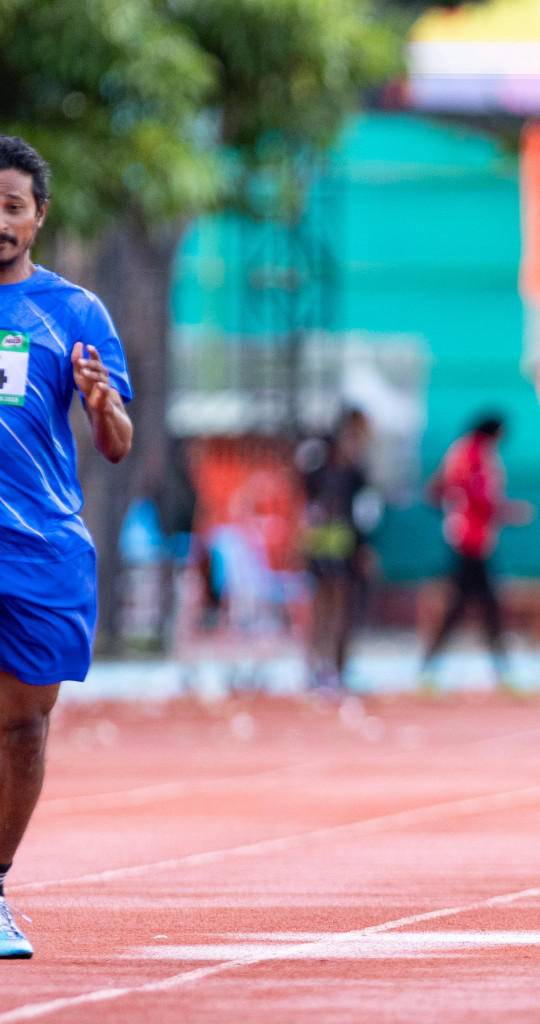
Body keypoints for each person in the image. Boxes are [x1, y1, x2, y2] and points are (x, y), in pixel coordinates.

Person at [0, 136, 135, 959]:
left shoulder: (76, 312)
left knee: (22, 730)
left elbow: (116, 440)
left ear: (38, 217)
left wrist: (100, 402)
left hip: (38, 550)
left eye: (12, 206)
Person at [422, 414, 532, 690]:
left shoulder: (468, 452)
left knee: (471, 605)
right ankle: (498, 667)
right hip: (468, 539)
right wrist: (507, 511)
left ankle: (434, 665)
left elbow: (443, 489)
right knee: (479, 605)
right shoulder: (472, 453)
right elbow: (474, 496)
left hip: (474, 538)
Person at [300, 410, 376, 693]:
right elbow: (309, 507)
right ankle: (316, 668)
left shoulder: (356, 474)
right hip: (322, 546)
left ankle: (337, 668)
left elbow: (364, 513)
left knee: (342, 608)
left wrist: (363, 547)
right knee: (323, 608)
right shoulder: (319, 470)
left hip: (345, 546)